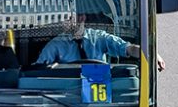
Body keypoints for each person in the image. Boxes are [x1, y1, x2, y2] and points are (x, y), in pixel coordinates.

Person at [35, 13, 168, 71]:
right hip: (68, 95)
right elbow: (38, 69)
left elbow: (128, 48)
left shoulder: (99, 38)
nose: (65, 22)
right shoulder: (56, 44)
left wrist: (151, 53)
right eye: (63, 18)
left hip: (99, 90)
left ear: (81, 18)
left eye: (69, 18)